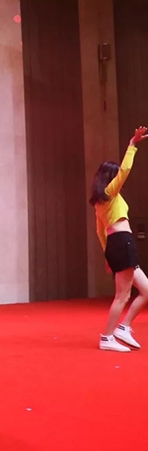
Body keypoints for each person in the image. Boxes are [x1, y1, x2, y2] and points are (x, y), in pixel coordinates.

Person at [90, 126, 148, 352]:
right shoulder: (110, 193)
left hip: (118, 245)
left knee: (146, 290)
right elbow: (125, 171)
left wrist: (108, 256)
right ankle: (107, 337)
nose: (118, 179)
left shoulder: (100, 203)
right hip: (123, 243)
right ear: (110, 177)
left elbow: (100, 232)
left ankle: (123, 328)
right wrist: (132, 145)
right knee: (122, 296)